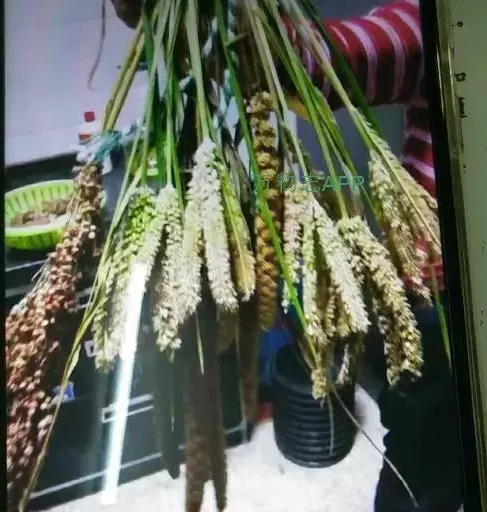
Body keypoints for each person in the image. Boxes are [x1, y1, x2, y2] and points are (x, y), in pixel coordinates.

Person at [110, 1, 463, 511]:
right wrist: (233, 12)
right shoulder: (444, 24)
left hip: (427, 297)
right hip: (435, 299)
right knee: (426, 461)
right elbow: (317, 60)